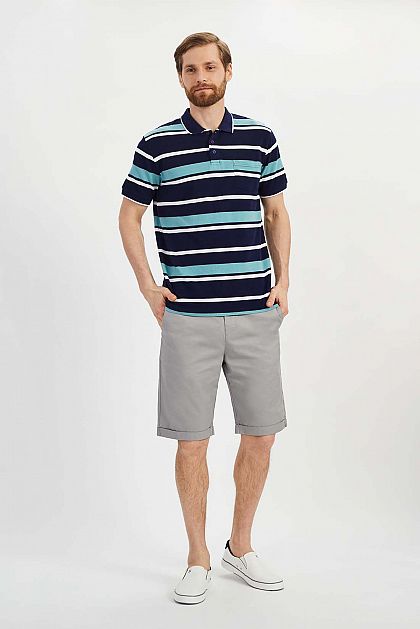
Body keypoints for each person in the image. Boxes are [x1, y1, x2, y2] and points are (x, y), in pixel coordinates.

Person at [118, 31, 291, 604]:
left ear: (228, 71)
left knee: (261, 435)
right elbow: (129, 215)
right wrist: (148, 286)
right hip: (187, 317)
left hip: (253, 311)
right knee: (191, 442)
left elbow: (276, 213)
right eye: (190, 69)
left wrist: (283, 282)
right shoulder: (157, 145)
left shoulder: (260, 138)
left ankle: (240, 546)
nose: (201, 77)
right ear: (180, 78)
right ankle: (197, 558)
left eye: (209, 67)